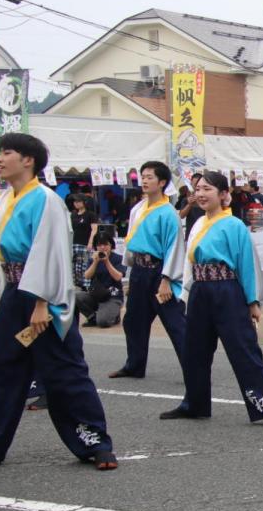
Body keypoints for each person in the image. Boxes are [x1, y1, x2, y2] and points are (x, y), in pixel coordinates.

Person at [0, 133, 118, 470]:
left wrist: (41, 302)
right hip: (13, 292)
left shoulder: (46, 199)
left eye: (7, 152)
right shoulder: (7, 199)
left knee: (64, 370)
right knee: (2, 372)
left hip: (42, 297)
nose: (1, 159)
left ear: (28, 160)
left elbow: (50, 253)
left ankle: (95, 443)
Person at [159, 172, 263, 430]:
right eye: (198, 189)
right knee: (194, 350)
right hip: (200, 291)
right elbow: (189, 263)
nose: (201, 194)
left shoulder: (234, 225)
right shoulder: (197, 224)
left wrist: (252, 301)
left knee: (243, 349)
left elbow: (247, 264)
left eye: (207, 189)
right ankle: (194, 404)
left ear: (222, 194)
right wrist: (185, 294)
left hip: (227, 291)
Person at [110, 161, 187, 379]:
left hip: (159, 270)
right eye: (142, 176)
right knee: (133, 320)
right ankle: (134, 365)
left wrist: (167, 279)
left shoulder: (168, 212)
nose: (144, 180)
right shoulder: (138, 209)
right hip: (140, 271)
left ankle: (192, 368)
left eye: (150, 177)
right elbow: (131, 242)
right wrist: (129, 274)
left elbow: (174, 247)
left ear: (162, 182)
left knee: (175, 323)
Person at [75, 231, 124, 327]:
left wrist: (107, 262)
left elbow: (118, 277)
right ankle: (92, 317)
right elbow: (87, 276)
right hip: (96, 295)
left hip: (112, 297)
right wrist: (95, 262)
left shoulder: (118, 258)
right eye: (99, 245)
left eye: (105, 244)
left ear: (111, 245)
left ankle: (115, 315)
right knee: (76, 296)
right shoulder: (93, 258)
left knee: (102, 322)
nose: (102, 247)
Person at [69, 193, 98, 287]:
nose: (76, 203)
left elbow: (94, 229)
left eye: (78, 201)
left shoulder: (90, 215)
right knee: (75, 265)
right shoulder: (73, 214)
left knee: (85, 264)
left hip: (85, 244)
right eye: (75, 201)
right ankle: (76, 283)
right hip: (74, 243)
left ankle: (85, 285)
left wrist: (90, 242)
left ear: (84, 202)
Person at [179, 172, 204, 241]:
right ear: (191, 184)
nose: (196, 186)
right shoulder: (186, 199)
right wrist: (189, 204)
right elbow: (181, 215)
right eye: (194, 184)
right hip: (190, 235)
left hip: (204, 234)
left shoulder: (206, 199)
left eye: (198, 184)